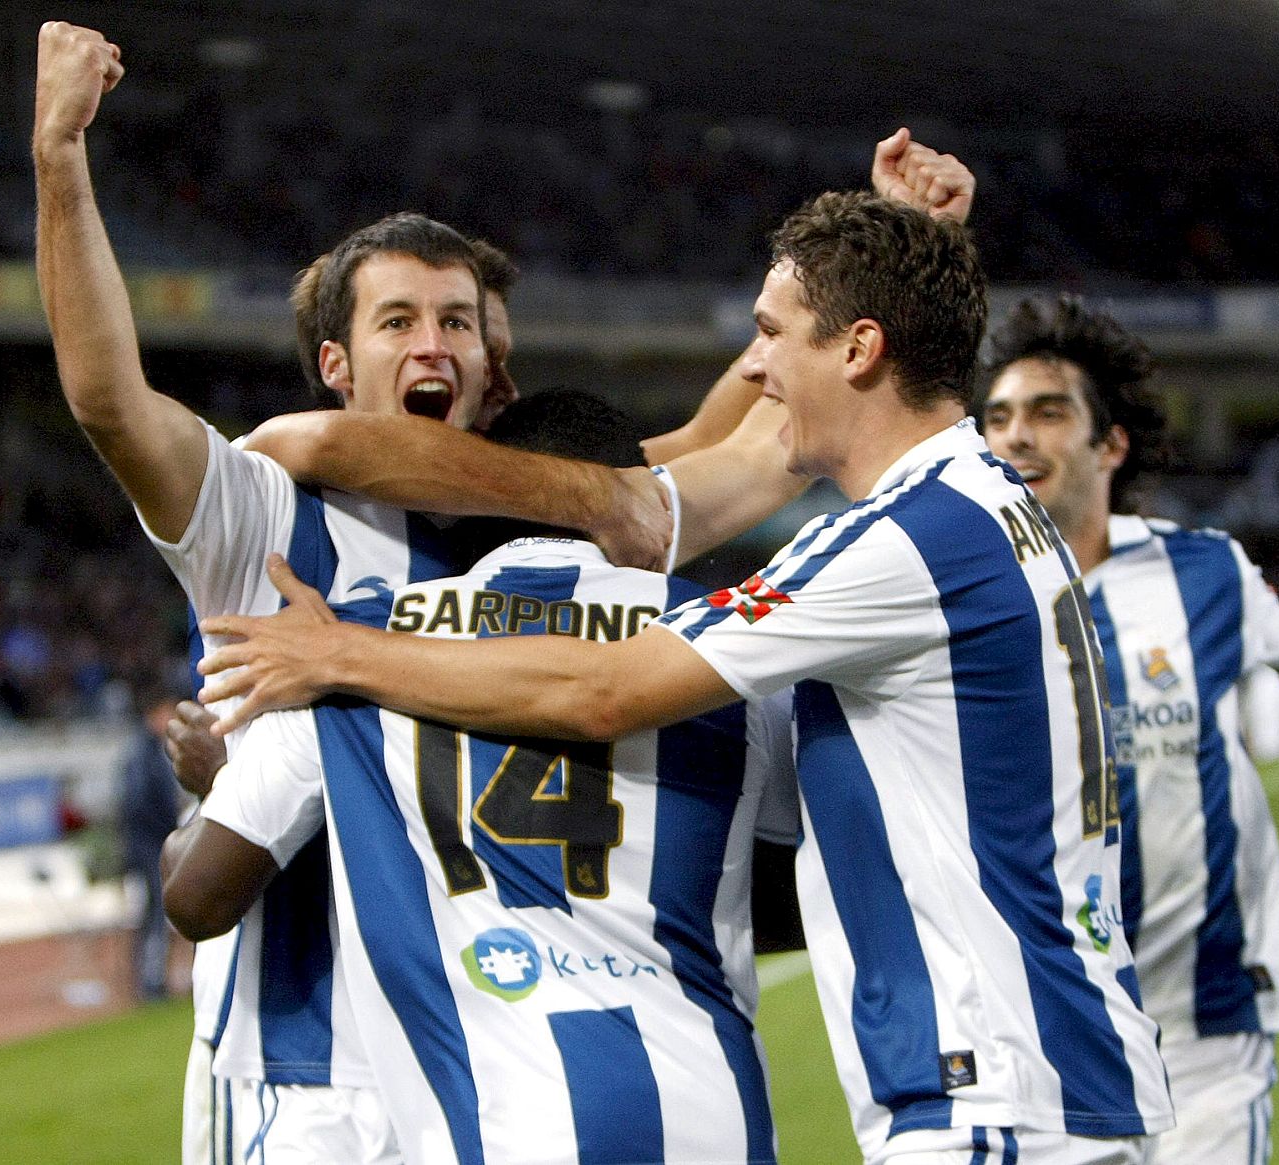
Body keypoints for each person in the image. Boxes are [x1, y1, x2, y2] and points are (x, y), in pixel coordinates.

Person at [196, 190, 1175, 1163]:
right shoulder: (987, 504)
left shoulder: (905, 541)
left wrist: (341, 652)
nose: (756, 366)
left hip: (996, 1085)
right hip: (1036, 1066)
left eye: (770, 334)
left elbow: (607, 689)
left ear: (860, 348)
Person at [33, 22, 672, 1163]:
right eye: (399, 322)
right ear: (336, 366)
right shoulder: (270, 515)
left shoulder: (534, 532)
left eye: (457, 322)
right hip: (303, 1080)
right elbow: (108, 402)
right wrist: (60, 154)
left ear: (492, 363)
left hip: (486, 1068)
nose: (434, 345)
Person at [166, 389, 796, 1164]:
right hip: (716, 1112)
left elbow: (196, 897)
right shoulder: (731, 644)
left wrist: (220, 778)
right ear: (632, 496)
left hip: (501, 1123)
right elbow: (798, 897)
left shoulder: (345, 644)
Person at [972, 294, 1279, 1163]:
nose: (1017, 435)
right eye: (1000, 417)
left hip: (1208, 1013)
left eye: (1049, 413)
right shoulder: (960, 593)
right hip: (1052, 1027)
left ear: (1111, 444)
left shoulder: (1202, 568)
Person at [119, 680, 188, 1002]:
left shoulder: (155, 751)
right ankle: (150, 981)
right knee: (155, 912)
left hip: (154, 843)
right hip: (149, 845)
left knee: (156, 912)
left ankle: (154, 978)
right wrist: (169, 822)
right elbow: (136, 803)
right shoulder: (143, 755)